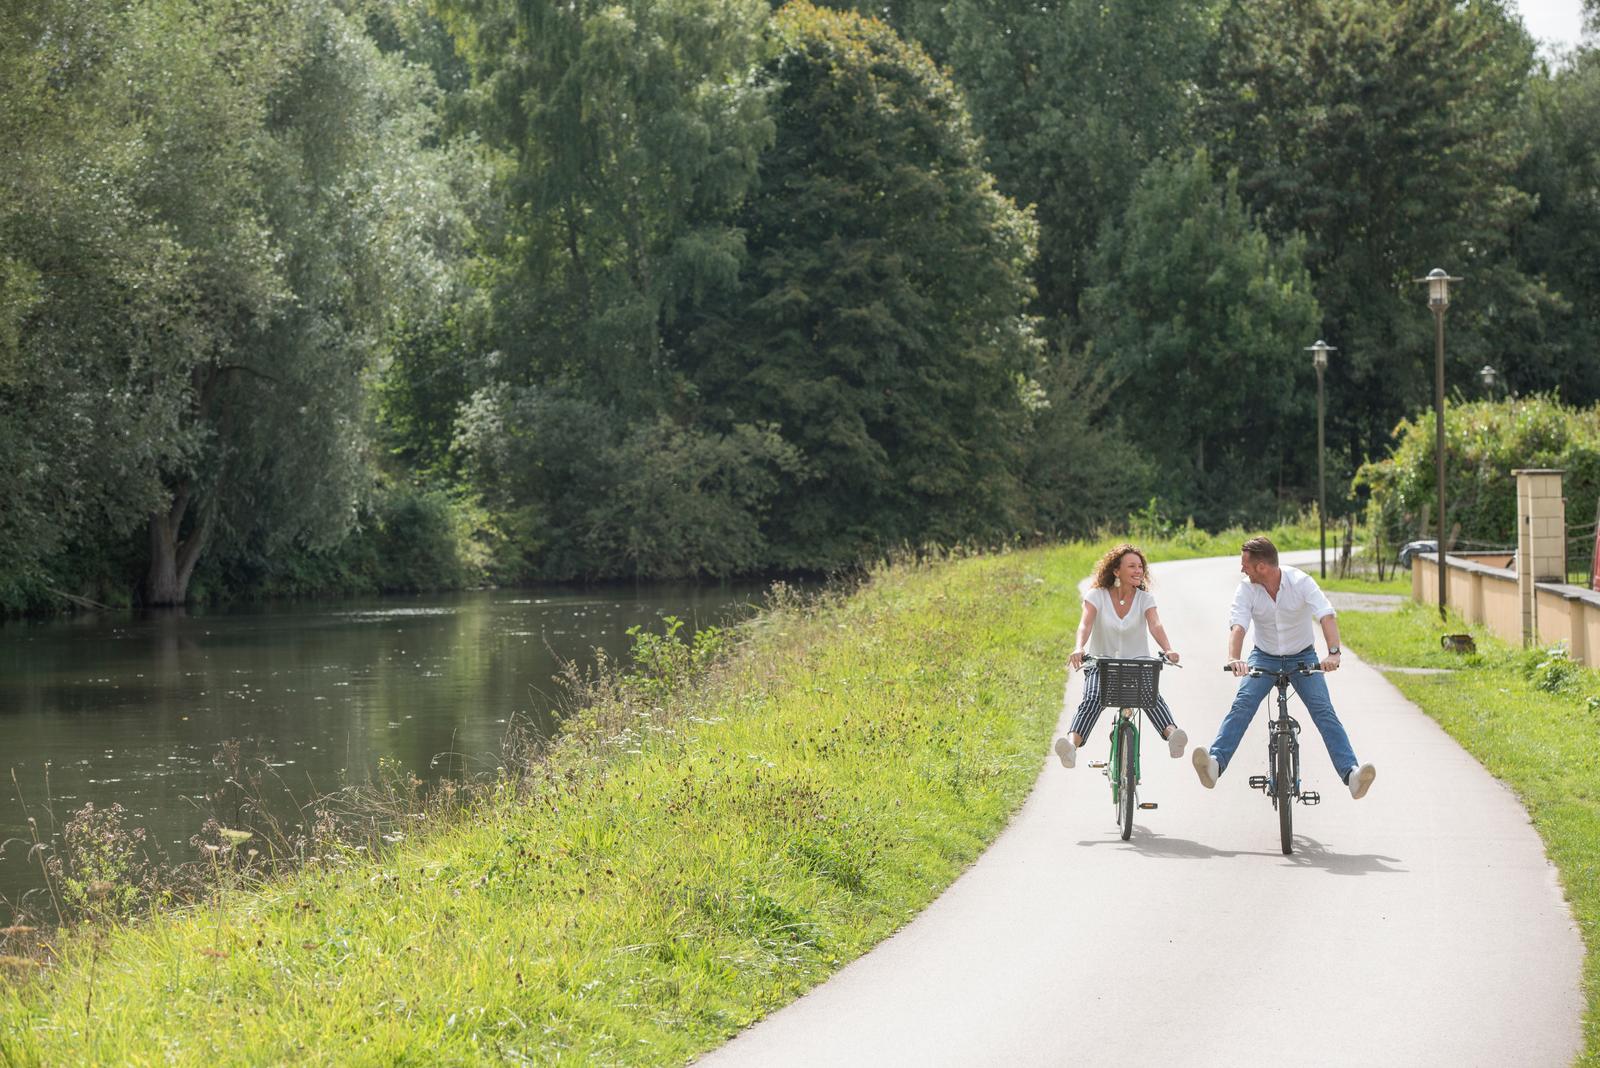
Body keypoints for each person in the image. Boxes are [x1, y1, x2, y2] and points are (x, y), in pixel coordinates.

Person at [1191, 536, 1377, 799]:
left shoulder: (1301, 582)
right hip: (1264, 656)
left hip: (1302, 656)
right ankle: (1214, 765)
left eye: (1245, 564)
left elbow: (1325, 615)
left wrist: (1333, 654)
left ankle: (1352, 776)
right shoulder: (1246, 589)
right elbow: (1238, 625)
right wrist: (1234, 658)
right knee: (1243, 703)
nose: (1242, 569)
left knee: (1323, 710)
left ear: (1262, 567)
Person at [1055, 544, 1187, 768]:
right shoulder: (1097, 595)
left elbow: (1155, 624)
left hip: (1136, 665)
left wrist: (1168, 649)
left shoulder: (1145, 599)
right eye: (1132, 566)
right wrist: (1079, 647)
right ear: (1116, 571)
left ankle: (1173, 737)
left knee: (1150, 695)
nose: (1138, 570)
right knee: (1093, 697)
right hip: (1101, 663)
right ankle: (1071, 747)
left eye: (1140, 567)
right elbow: (1085, 624)